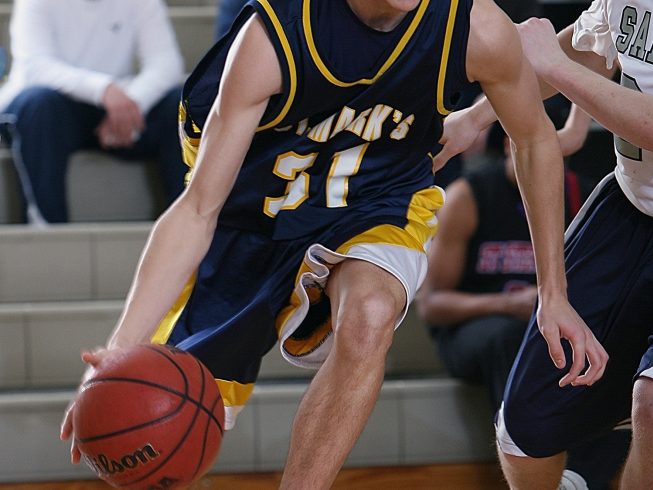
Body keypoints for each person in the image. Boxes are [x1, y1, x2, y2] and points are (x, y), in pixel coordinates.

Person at [60, 0, 606, 487]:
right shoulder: (273, 37)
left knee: (369, 316)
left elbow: (535, 140)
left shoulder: (474, 27)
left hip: (377, 202)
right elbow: (199, 208)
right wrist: (114, 354)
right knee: (151, 414)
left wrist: (551, 293)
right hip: (249, 222)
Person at [434, 1, 653, 488]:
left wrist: (551, 65)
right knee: (524, 433)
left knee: (651, 407)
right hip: (630, 206)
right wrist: (476, 118)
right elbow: (583, 49)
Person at [419, 112, 631, 490]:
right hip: (473, 331)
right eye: (541, 150)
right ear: (511, 146)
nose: (551, 163)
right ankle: (528, 466)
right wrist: (509, 305)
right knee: (512, 336)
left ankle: (579, 478)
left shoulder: (581, 196)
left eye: (558, 153)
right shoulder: (468, 197)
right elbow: (433, 305)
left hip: (550, 327)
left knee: (606, 351)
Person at [0, 0, 187, 224]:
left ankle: (188, 230)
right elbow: (36, 66)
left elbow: (167, 63)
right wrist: (103, 89)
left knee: (180, 104)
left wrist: (132, 103)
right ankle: (46, 230)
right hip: (52, 112)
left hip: (118, 112)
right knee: (38, 104)